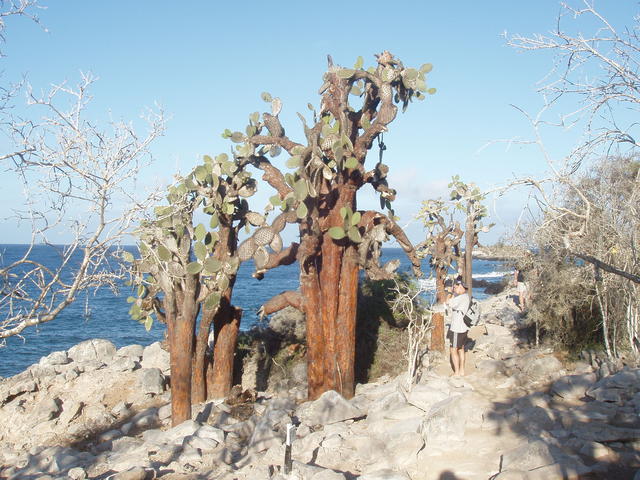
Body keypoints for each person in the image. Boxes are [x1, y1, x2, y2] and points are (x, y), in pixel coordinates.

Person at [446, 277, 470, 376]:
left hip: (457, 328)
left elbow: (448, 302)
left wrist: (450, 293)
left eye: (455, 287)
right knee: (461, 349)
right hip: (463, 327)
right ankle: (462, 371)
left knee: (453, 349)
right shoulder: (466, 296)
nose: (454, 289)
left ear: (460, 286)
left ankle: (456, 373)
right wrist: (455, 292)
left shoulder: (460, 298)